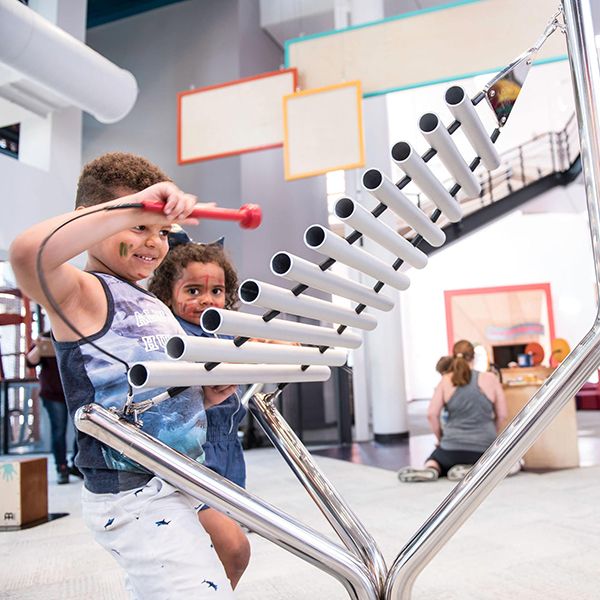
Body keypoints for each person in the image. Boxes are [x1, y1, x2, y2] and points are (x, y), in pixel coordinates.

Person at [9, 152, 236, 598]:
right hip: (135, 492)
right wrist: (135, 204)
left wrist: (203, 396)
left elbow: (153, 385)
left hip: (181, 476)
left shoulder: (152, 303)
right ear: (91, 221)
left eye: (162, 231)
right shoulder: (81, 292)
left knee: (233, 550)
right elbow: (25, 254)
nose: (154, 242)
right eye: (139, 228)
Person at [148, 237, 250, 589]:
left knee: (222, 550)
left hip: (226, 453)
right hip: (192, 457)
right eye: (193, 291)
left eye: (217, 291)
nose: (207, 300)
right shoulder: (173, 335)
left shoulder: (220, 333)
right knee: (233, 548)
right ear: (167, 295)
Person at [398, 340, 508, 483]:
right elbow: (503, 414)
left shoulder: (446, 380)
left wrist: (440, 439)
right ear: (474, 357)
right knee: (501, 461)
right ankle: (472, 469)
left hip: (450, 448)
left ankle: (432, 469)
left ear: (454, 356)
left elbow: (432, 414)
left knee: (435, 458)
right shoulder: (490, 378)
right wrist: (492, 435)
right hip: (483, 449)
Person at [26, 330, 80, 484]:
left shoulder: (74, 335)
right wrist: (39, 346)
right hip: (53, 393)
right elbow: (30, 361)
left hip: (75, 393)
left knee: (82, 431)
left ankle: (77, 465)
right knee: (58, 431)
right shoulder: (45, 337)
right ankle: (61, 467)